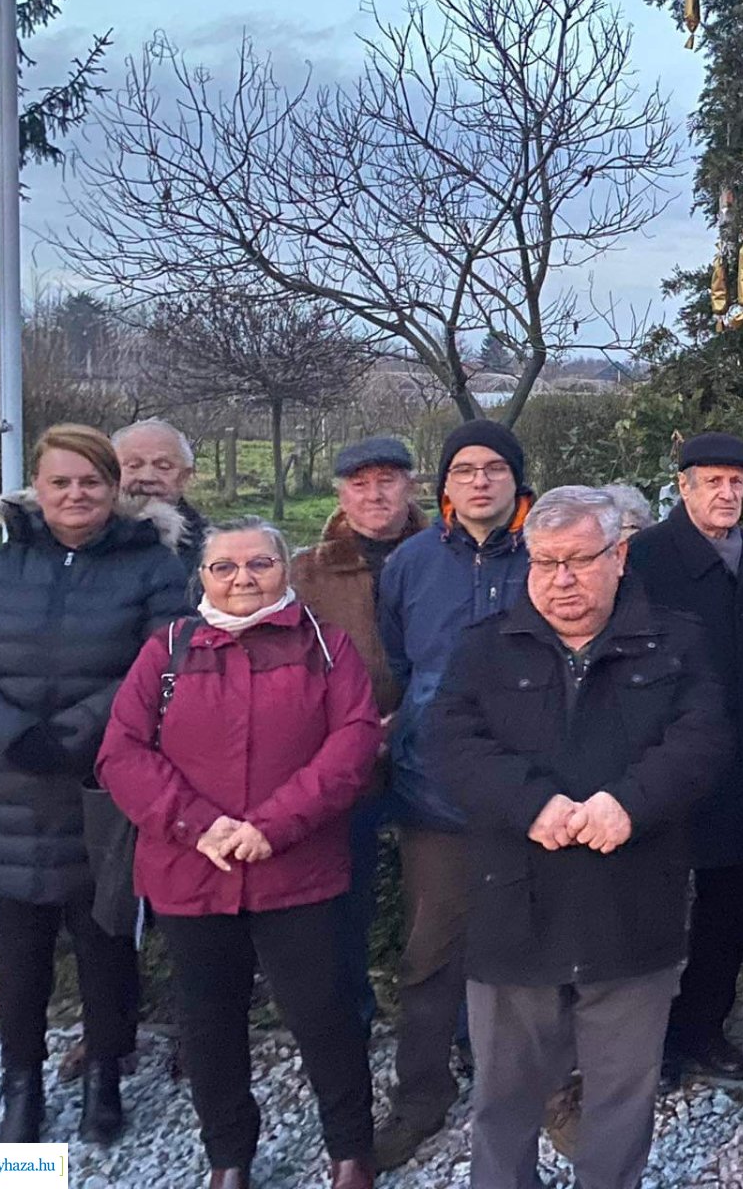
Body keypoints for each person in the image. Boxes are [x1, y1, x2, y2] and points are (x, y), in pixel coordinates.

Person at [435, 487, 731, 1189]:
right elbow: (450, 742)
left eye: (578, 560)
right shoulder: (485, 647)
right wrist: (531, 803)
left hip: (631, 902)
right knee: (503, 1099)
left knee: (621, 1098)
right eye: (544, 563)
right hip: (515, 900)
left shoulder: (676, 640)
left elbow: (704, 739)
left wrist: (628, 805)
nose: (560, 580)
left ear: (620, 555)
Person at [98, 518, 384, 1189]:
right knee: (208, 1023)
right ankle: (228, 1157)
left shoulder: (326, 647)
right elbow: (122, 751)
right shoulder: (166, 649)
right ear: (201, 577)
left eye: (259, 564)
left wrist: (272, 826)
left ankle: (351, 1151)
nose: (242, 578)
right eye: (224, 567)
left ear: (286, 570)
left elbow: (352, 745)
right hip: (189, 869)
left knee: (325, 1015)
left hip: (297, 869)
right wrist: (197, 825)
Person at [0, 424, 188, 1144]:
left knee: (106, 945)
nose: (76, 495)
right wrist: (12, 733)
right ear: (36, 491)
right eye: (60, 482)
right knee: (18, 952)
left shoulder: (153, 571)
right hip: (3, 788)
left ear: (113, 489)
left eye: (90, 482)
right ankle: (22, 1087)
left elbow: (163, 664)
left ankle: (106, 1075)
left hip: (101, 788)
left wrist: (73, 736)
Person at [373, 420, 534, 1169]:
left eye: (494, 468)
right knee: (431, 953)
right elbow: (401, 663)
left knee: (527, 948)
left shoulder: (548, 554)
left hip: (533, 793)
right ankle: (422, 1095)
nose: (479, 481)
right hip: (435, 794)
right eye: (465, 469)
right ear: (444, 485)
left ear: (516, 482)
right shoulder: (410, 564)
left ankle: (522, 1088)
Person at [625, 432, 743, 1088]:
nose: (726, 493)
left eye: (736, 483)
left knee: (727, 909)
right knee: (657, 911)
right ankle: (649, 1042)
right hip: (668, 760)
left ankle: (704, 1028)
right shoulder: (647, 556)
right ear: (683, 487)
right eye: (712, 481)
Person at [291, 436, 428, 1039]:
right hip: (344, 758)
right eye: (360, 483)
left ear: (412, 486)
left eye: (388, 481)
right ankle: (348, 1017)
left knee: (442, 899)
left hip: (434, 749)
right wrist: (348, 729)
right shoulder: (307, 570)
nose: (375, 495)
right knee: (343, 899)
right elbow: (290, 665)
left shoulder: (445, 556)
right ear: (341, 494)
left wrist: (415, 717)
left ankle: (445, 1025)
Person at [116, 417, 211, 578]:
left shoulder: (210, 548)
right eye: (133, 466)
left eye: (163, 467)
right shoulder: (81, 537)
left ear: (184, 477)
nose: (147, 477)